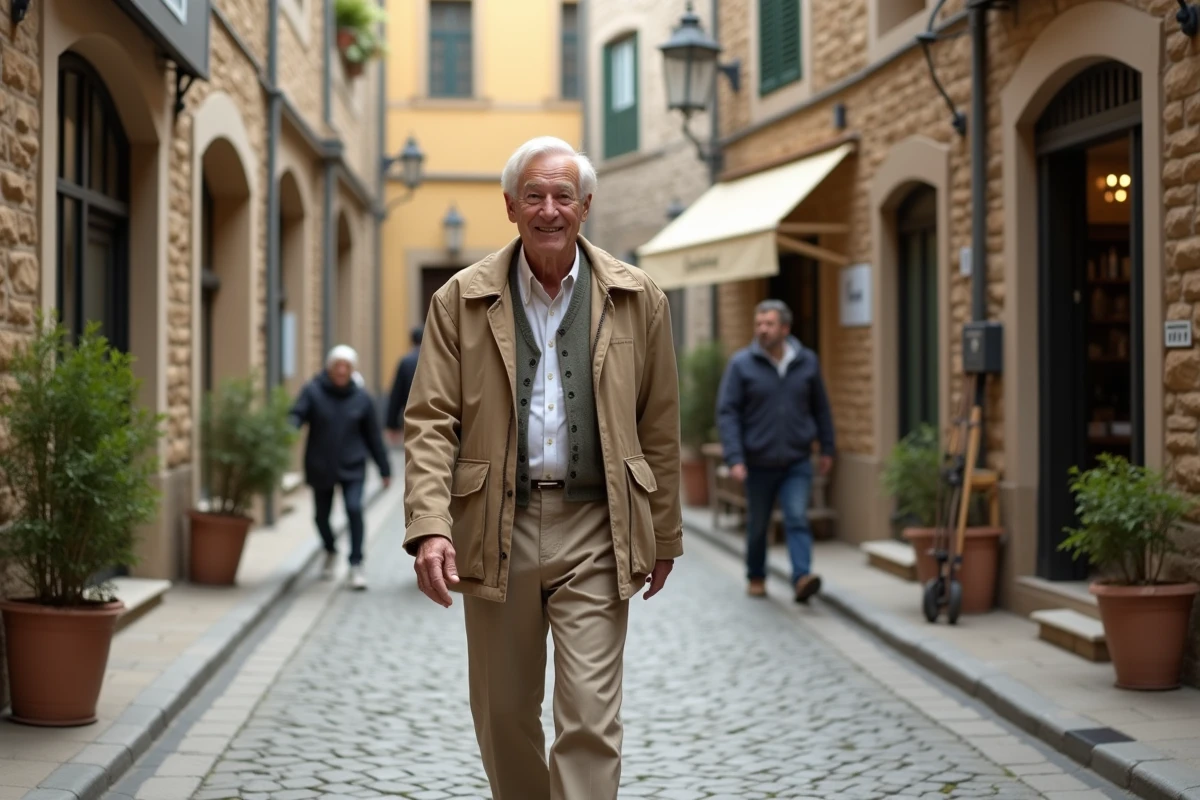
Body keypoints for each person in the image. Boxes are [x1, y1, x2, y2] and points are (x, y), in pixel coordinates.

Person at [402, 136, 682, 800]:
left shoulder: (638, 297)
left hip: (597, 527)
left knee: (590, 719)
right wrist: (431, 526)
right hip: (495, 524)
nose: (548, 209)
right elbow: (430, 421)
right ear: (510, 206)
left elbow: (660, 424)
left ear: (586, 205)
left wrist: (664, 534)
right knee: (503, 715)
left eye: (563, 196)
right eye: (533, 196)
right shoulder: (460, 299)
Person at [716, 299, 835, 603]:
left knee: (796, 517)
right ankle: (756, 575)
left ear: (785, 328)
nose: (762, 329)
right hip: (758, 461)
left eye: (769, 324)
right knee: (758, 524)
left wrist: (827, 447)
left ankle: (802, 578)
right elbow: (728, 413)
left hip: (797, 459)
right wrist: (735, 457)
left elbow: (821, 408)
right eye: (759, 324)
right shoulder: (741, 364)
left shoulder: (807, 362)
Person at [289, 345, 392, 590]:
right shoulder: (313, 391)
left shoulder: (362, 398)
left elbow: (373, 437)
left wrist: (384, 469)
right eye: (338, 365)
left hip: (353, 465)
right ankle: (330, 549)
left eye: (347, 366)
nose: (342, 371)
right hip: (321, 464)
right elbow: (297, 414)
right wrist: (289, 427)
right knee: (321, 517)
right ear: (329, 368)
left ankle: (356, 564)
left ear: (353, 369)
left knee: (354, 509)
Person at [385, 325, 423, 443]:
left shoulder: (406, 362)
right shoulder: (436, 360)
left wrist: (392, 424)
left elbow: (396, 394)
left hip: (411, 415)